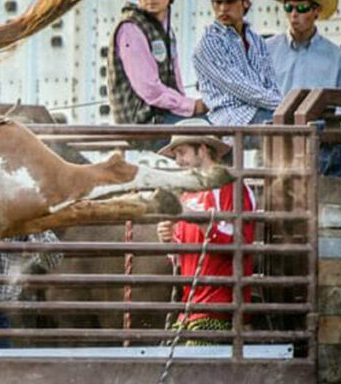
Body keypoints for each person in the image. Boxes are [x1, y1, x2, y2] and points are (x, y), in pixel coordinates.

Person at [156, 135, 256, 339]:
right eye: (176, 155)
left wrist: (201, 222)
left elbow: (241, 242)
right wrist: (168, 240)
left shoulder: (230, 187)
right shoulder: (188, 194)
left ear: (202, 150)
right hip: (194, 310)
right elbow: (182, 255)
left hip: (220, 310)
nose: (178, 161)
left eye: (182, 153)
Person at [266, 0, 341, 176]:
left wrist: (323, 130)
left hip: (323, 150)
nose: (294, 14)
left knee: (325, 201)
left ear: (316, 11)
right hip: (275, 143)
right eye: (289, 7)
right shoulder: (265, 52)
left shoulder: (338, 58)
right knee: (271, 201)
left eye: (301, 8)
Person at [107, 0, 208, 129]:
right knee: (212, 129)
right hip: (141, 123)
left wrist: (187, 108)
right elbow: (149, 89)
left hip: (162, 117)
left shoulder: (165, 30)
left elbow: (175, 79)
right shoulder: (131, 28)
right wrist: (192, 106)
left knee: (218, 124)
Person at [193, 0, 283, 129]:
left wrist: (285, 107)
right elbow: (240, 87)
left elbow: (270, 82)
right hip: (233, 117)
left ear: (245, 3)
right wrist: (282, 104)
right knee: (294, 127)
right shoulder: (210, 42)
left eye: (229, 2)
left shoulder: (256, 40)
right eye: (217, 3)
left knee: (307, 125)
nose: (223, 8)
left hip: (262, 110)